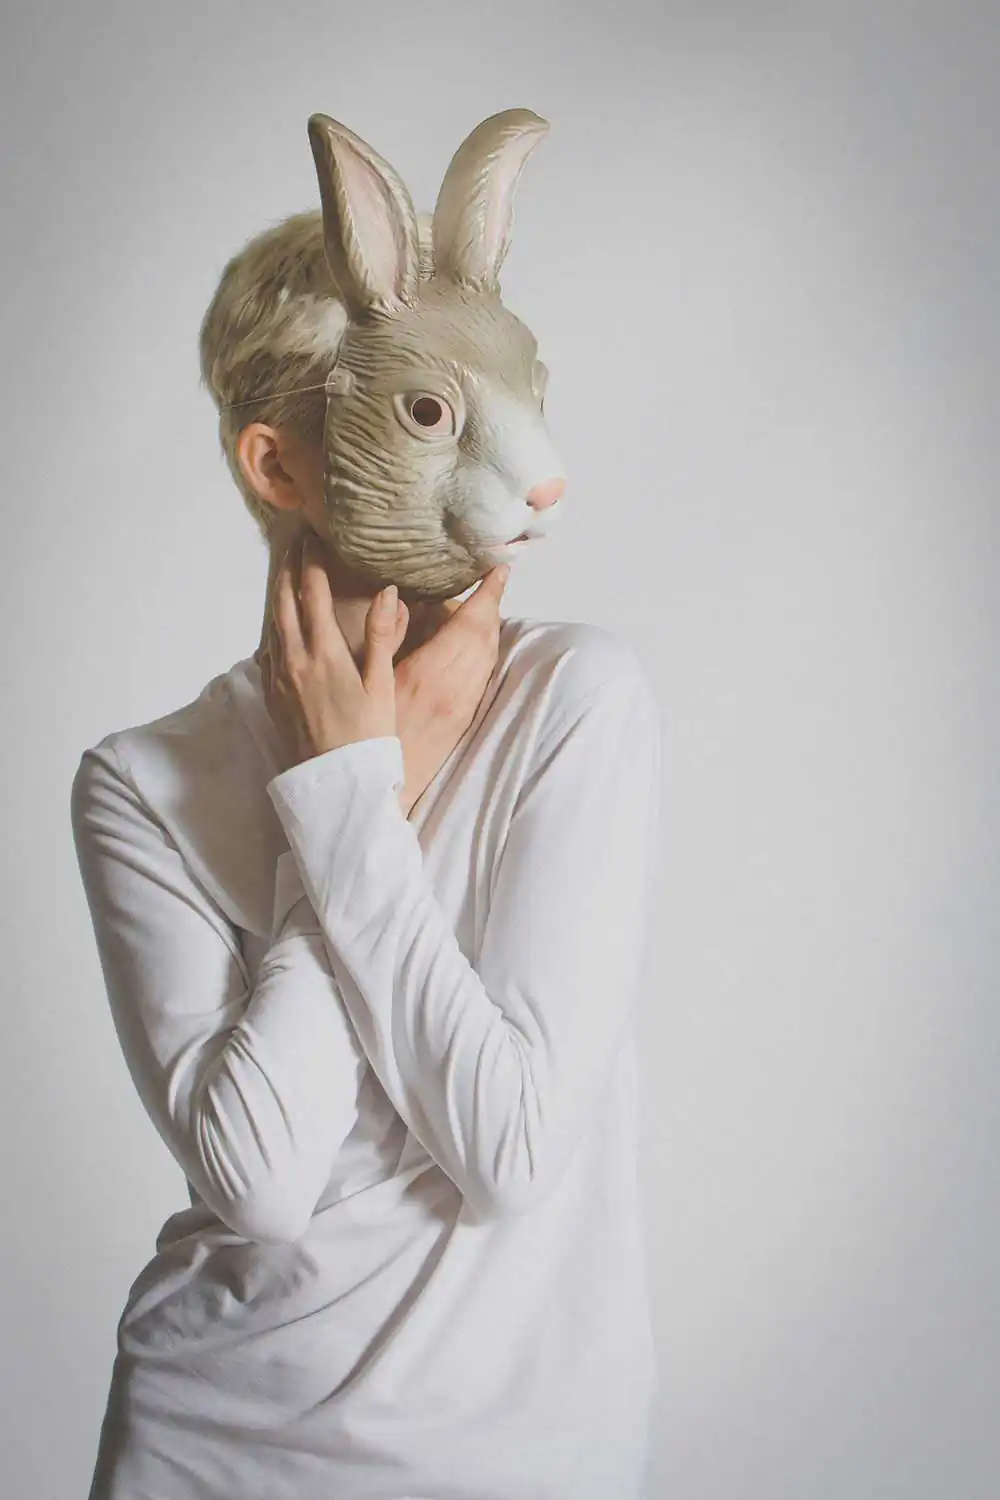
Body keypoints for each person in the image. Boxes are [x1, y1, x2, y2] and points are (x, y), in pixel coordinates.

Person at [70, 208, 662, 1500]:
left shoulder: (573, 699)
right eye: (429, 414)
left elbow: (509, 1151)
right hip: (214, 1448)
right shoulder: (140, 781)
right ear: (277, 466)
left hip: (521, 1458)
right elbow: (262, 1183)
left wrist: (350, 799)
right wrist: (354, 794)